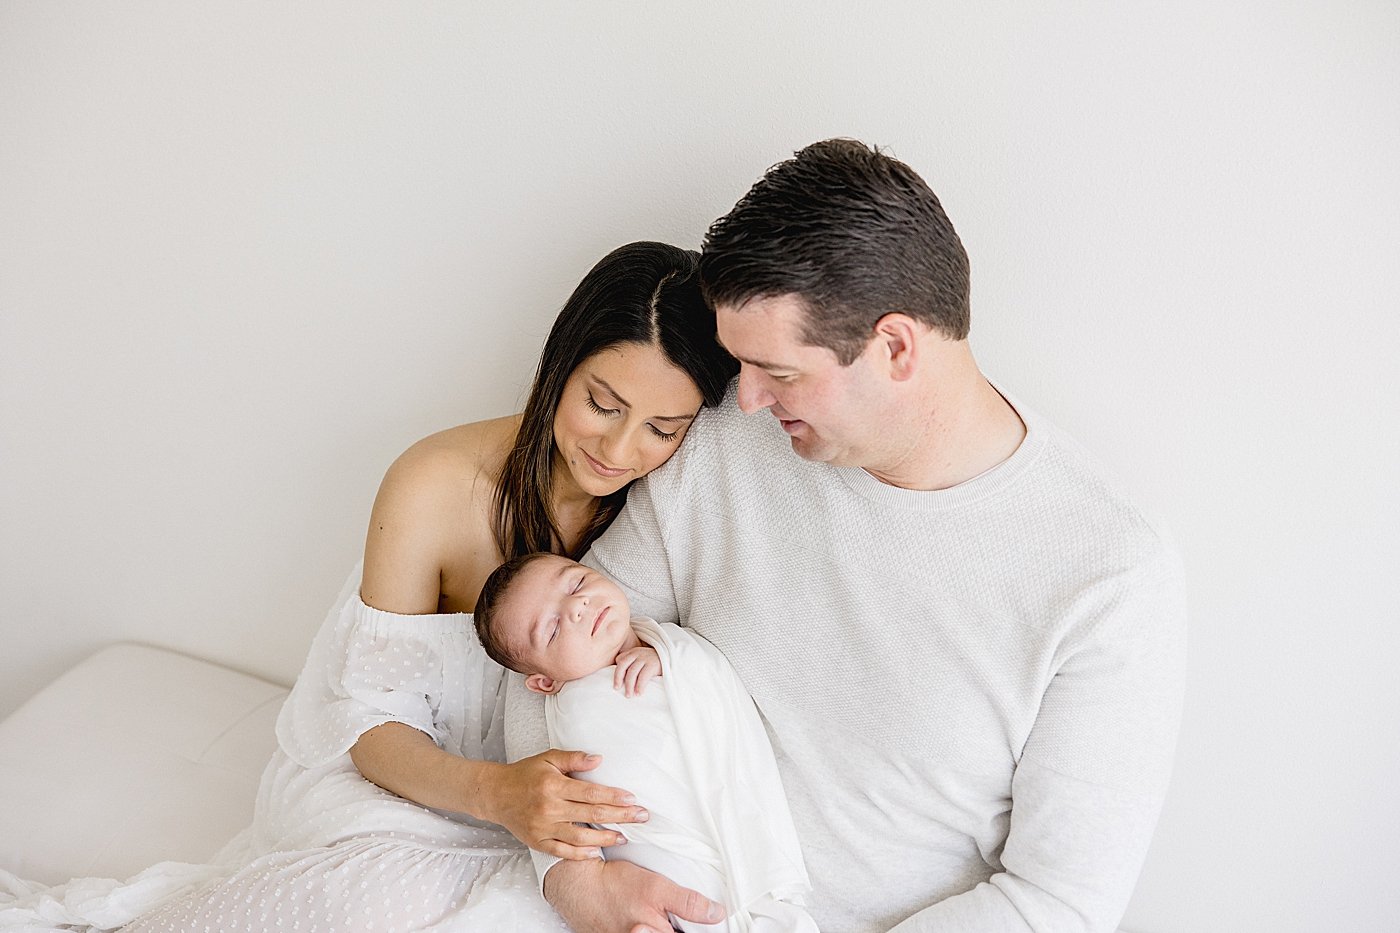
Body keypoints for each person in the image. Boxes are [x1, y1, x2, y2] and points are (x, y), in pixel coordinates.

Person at [507, 140, 1189, 933]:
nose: (747, 398)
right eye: (741, 365)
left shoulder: (1109, 574)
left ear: (895, 346)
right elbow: (546, 664)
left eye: (779, 372)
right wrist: (571, 877)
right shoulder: (726, 437)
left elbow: (1058, 903)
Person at [0, 241, 738, 932]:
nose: (618, 449)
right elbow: (368, 729)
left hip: (548, 818)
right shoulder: (436, 483)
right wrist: (501, 795)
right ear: (559, 365)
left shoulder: (665, 506)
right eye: (603, 405)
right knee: (389, 896)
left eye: (661, 428)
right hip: (398, 780)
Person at [474, 552, 817, 933]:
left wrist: (668, 659)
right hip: (664, 862)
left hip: (726, 833)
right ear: (545, 683)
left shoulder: (672, 646)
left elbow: (719, 694)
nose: (577, 607)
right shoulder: (578, 709)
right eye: (552, 629)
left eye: (577, 583)